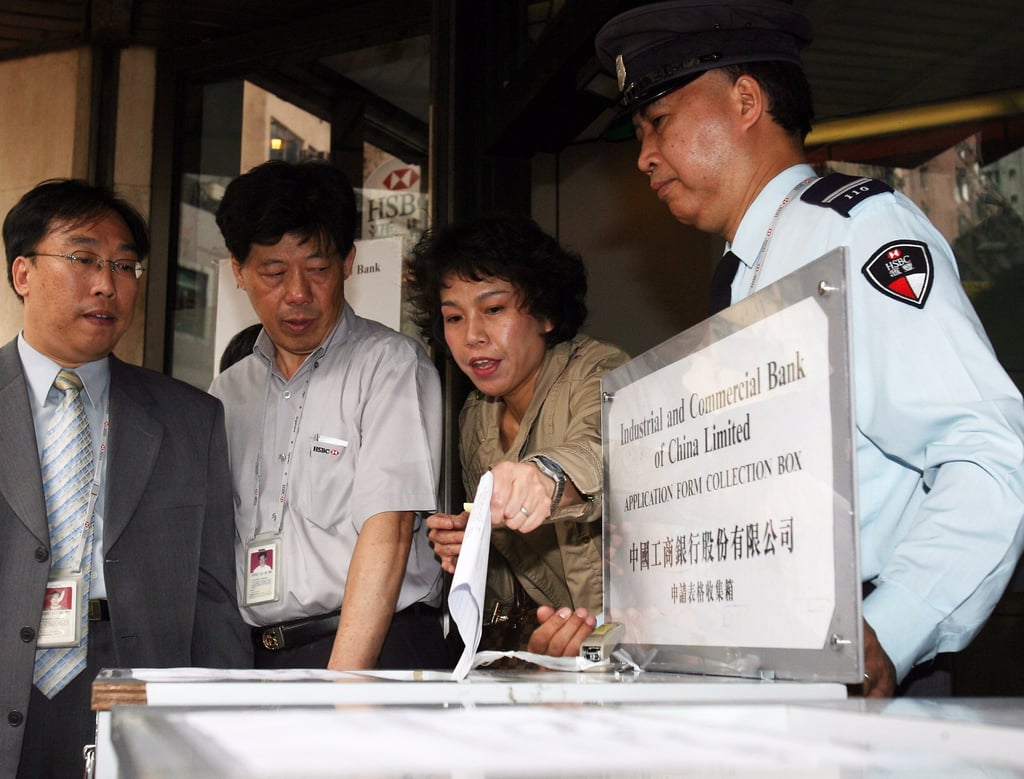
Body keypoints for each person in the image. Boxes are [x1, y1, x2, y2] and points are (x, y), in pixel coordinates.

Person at [594, 0, 1024, 695]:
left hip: (858, 668)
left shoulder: (856, 232)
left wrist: (889, 628)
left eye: (658, 122)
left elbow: (988, 452)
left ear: (744, 99)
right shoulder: (739, 276)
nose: (643, 154)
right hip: (763, 668)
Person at [1, 179, 251, 777]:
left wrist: (225, 726)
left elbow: (214, 594)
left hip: (140, 678)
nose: (107, 285)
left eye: (124, 266)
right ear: (23, 273)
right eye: (82, 258)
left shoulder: (190, 418)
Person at [209, 160, 447, 671]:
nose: (297, 293)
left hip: (372, 652)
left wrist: (340, 688)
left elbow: (390, 530)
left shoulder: (388, 366)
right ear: (238, 271)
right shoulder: (228, 392)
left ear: (348, 263)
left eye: (317, 269)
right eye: (273, 272)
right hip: (259, 657)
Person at [407, 214, 630, 656]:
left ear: (545, 311)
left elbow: (603, 452)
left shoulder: (599, 371)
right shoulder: (476, 416)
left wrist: (544, 476)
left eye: (494, 310)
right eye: (454, 317)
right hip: (536, 649)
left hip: (626, 641)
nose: (473, 336)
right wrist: (472, 542)